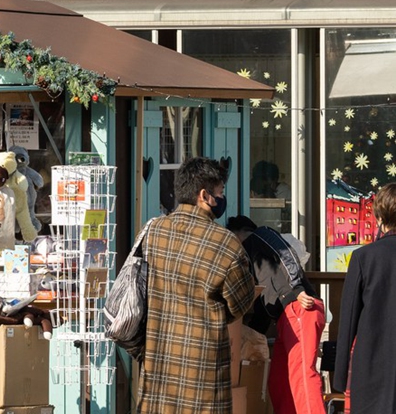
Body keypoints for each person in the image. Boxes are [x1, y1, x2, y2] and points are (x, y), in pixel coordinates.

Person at [136, 156, 256, 413]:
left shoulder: (152, 232)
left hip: (157, 369)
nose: (222, 198)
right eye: (220, 192)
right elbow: (241, 303)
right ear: (204, 195)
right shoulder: (225, 243)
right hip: (203, 372)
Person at [227, 215, 324, 414]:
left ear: (238, 233)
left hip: (300, 306)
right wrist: (252, 333)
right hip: (285, 317)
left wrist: (297, 288)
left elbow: (286, 255)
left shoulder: (262, 234)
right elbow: (262, 304)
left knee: (302, 375)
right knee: (279, 379)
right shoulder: (250, 261)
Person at [334, 182, 396, 412]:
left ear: (379, 217)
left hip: (372, 362)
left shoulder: (364, 257)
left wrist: (339, 375)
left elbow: (348, 318)